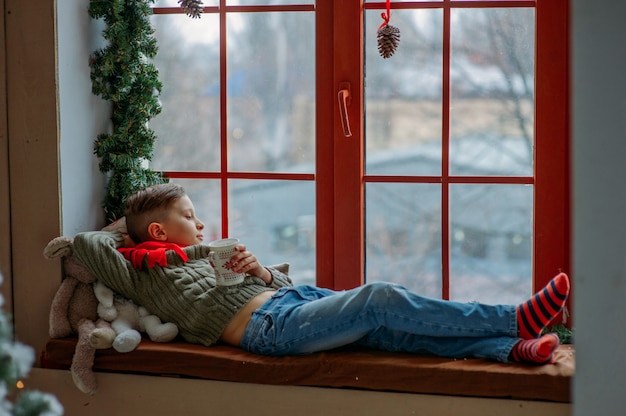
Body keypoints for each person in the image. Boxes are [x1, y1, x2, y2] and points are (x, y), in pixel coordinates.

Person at [73, 183, 570, 365]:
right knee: (379, 298)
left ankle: (510, 349)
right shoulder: (142, 271)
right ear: (159, 228)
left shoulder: (207, 255)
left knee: (387, 330)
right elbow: (87, 244)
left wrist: (264, 274)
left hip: (288, 303)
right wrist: (134, 230)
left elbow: (284, 289)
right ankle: (513, 319)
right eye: (189, 215)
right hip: (269, 330)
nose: (201, 224)